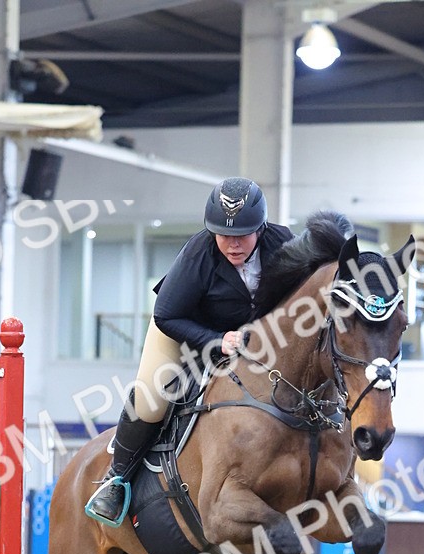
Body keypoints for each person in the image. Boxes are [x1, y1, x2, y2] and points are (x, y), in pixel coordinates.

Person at [86, 176, 293, 526]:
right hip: (183, 329)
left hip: (253, 343)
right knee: (154, 394)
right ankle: (116, 480)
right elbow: (167, 315)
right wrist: (217, 340)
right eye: (223, 234)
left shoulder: (284, 244)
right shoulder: (199, 253)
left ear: (261, 228)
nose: (231, 243)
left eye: (241, 234)